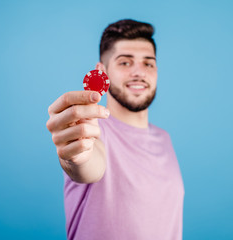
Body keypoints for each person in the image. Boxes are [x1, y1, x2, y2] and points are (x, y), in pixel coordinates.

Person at [46, 19, 184, 240]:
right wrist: (76, 154)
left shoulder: (164, 139)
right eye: (125, 63)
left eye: (148, 63)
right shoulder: (92, 130)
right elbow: (87, 162)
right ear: (102, 71)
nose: (139, 72)